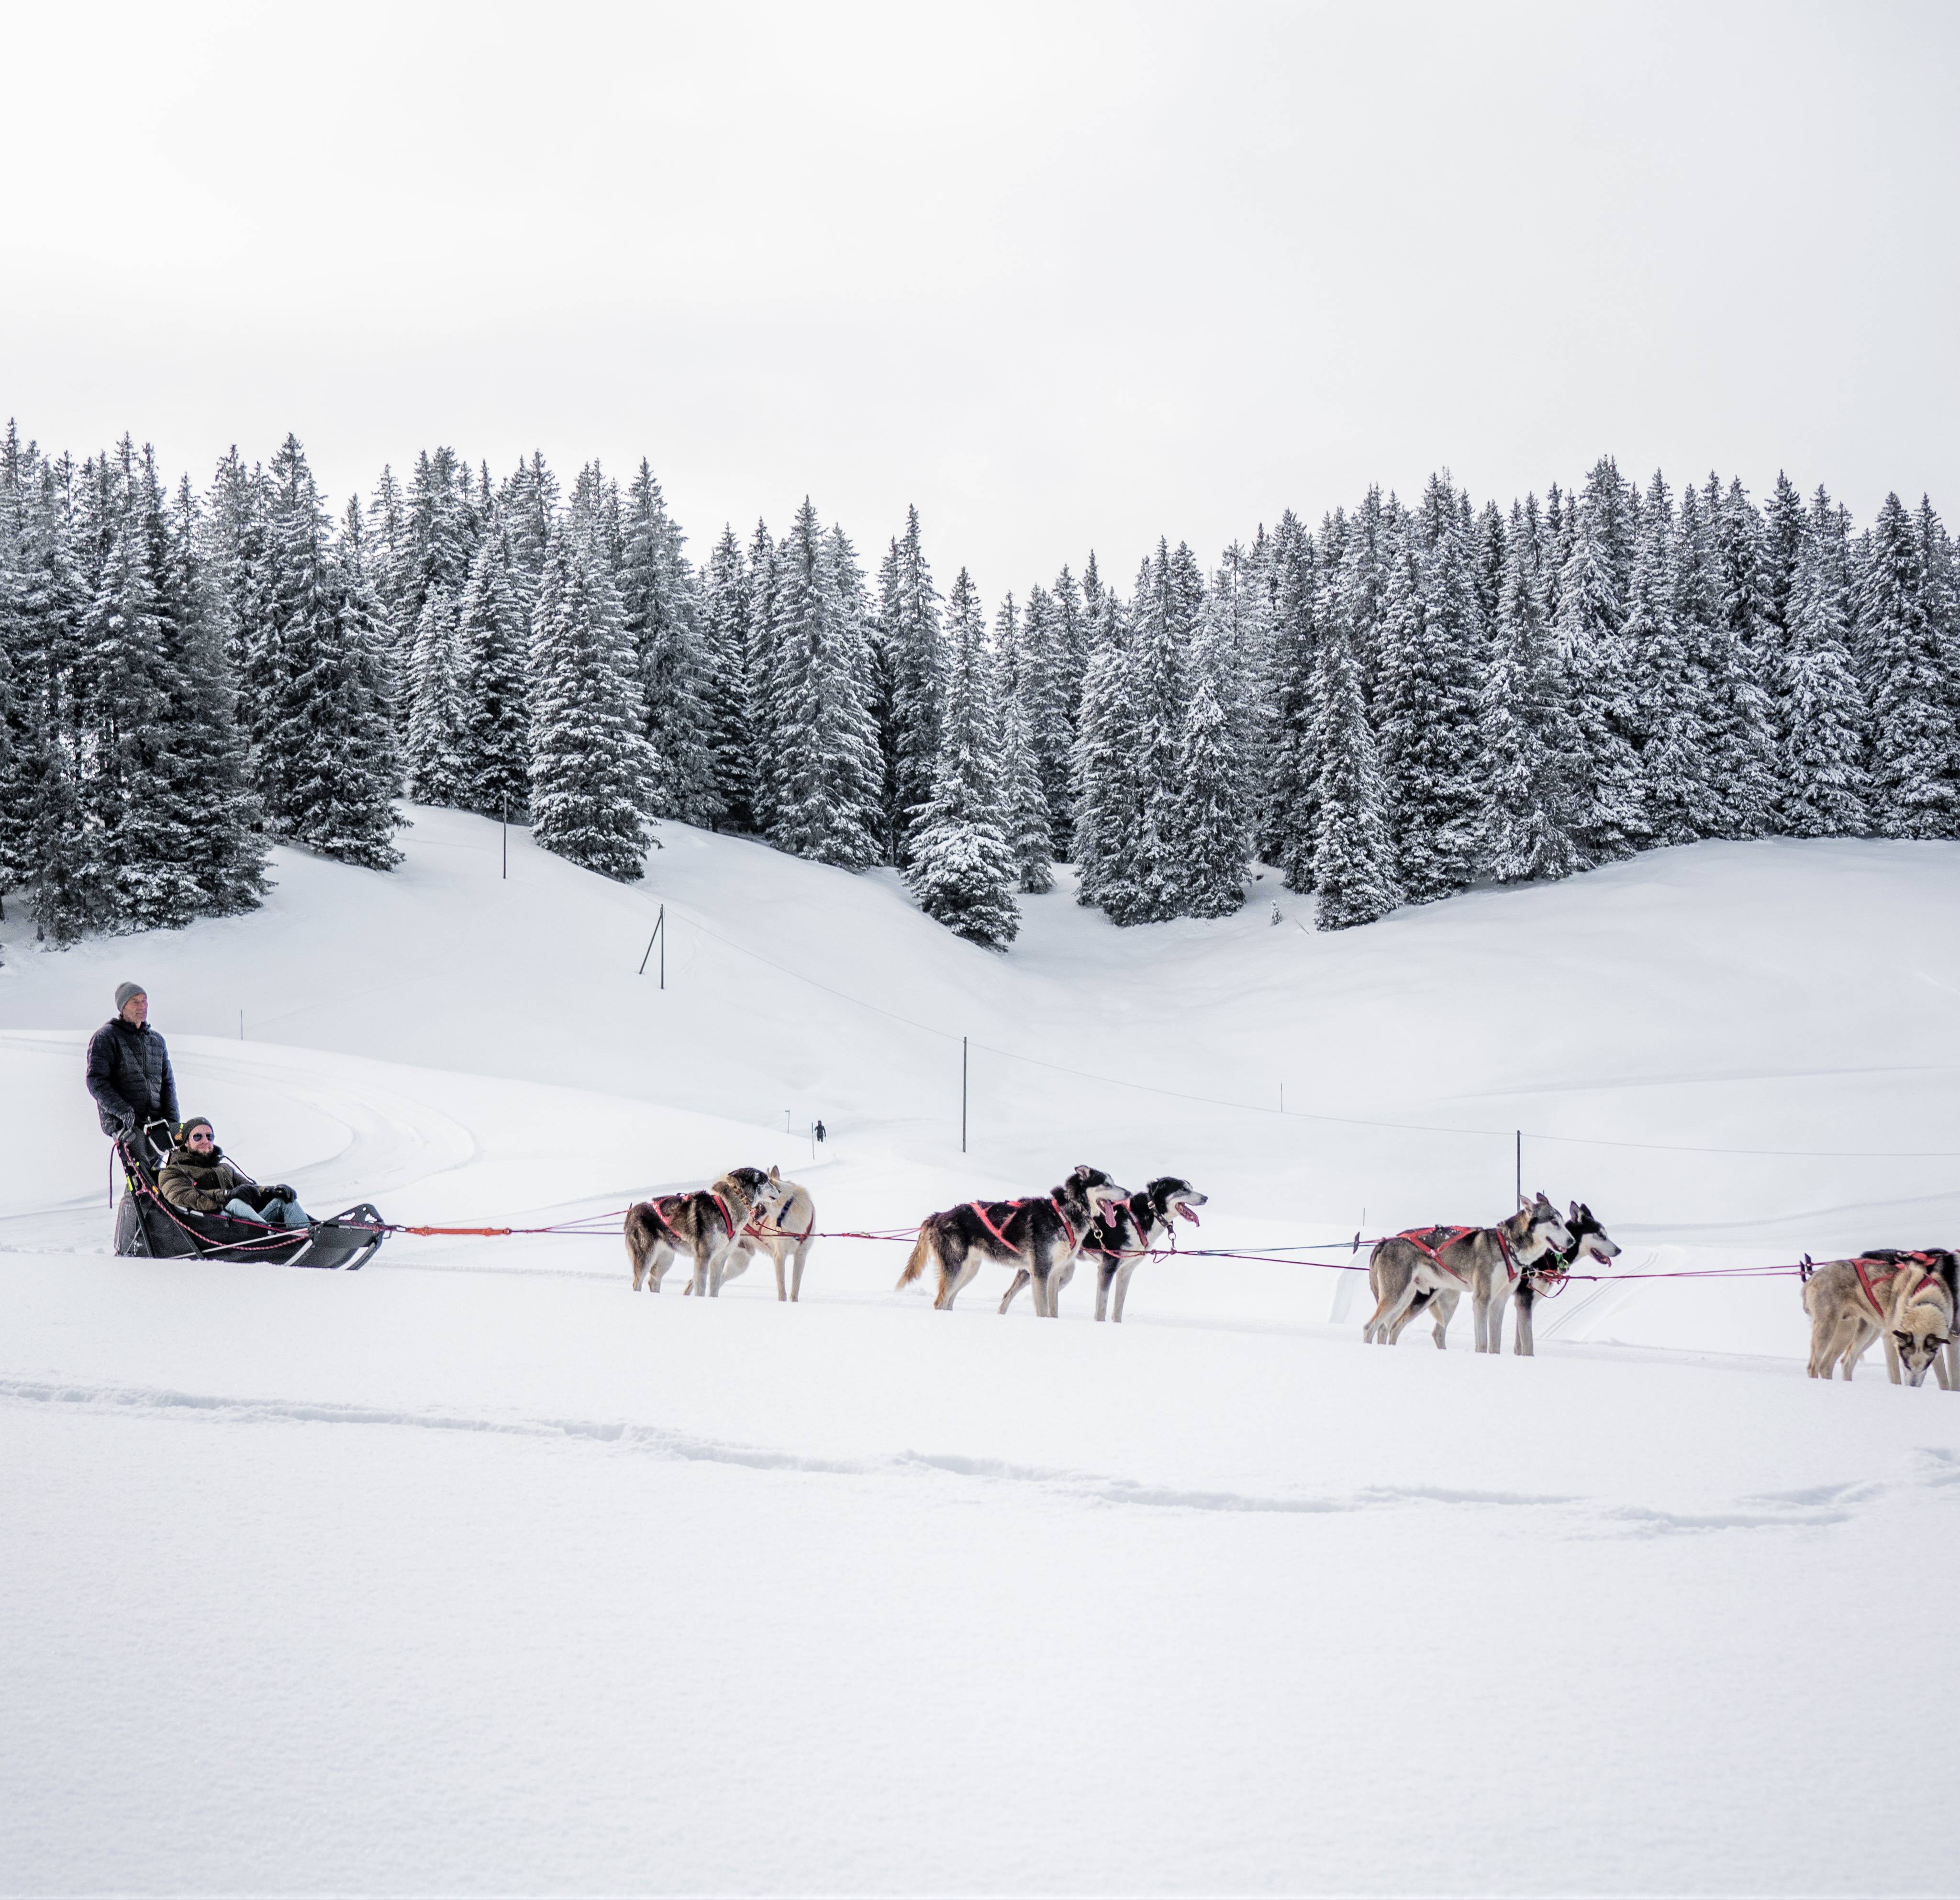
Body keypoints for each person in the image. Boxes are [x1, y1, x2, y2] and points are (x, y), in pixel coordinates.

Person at [157, 1118, 312, 1230]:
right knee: (235, 1204)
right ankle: (275, 1237)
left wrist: (270, 1191)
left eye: (209, 1136)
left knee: (282, 1201)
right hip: (212, 1229)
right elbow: (182, 1196)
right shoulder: (173, 1172)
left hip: (243, 1227)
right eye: (198, 1137)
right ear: (186, 1142)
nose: (205, 1141)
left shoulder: (225, 1169)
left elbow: (249, 1188)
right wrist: (227, 1195)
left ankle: (306, 1235)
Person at [86, 982, 178, 1159]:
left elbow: (167, 1083)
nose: (142, 1007)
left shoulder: (156, 1040)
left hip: (157, 1121)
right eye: (135, 1002)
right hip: (124, 1123)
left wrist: (173, 1120)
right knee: (140, 1172)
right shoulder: (106, 1037)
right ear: (122, 1007)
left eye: (144, 1001)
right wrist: (123, 1111)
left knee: (161, 1176)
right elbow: (96, 1080)